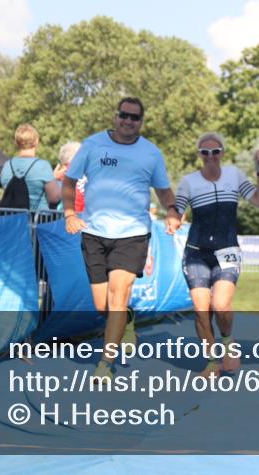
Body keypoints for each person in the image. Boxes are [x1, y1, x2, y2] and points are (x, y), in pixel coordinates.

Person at [62, 97, 179, 380]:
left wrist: (172, 211)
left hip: (133, 234)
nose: (128, 121)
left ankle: (105, 363)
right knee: (103, 305)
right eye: (124, 115)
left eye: (135, 118)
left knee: (118, 295)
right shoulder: (92, 145)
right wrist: (69, 213)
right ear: (116, 117)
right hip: (94, 232)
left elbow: (163, 190)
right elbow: (68, 181)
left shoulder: (150, 153)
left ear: (141, 121)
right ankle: (126, 320)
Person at [174, 132, 259, 377]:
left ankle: (227, 341)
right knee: (200, 309)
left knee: (221, 304)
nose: (210, 157)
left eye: (215, 152)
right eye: (205, 152)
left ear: (222, 153)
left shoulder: (234, 175)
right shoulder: (188, 181)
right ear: (199, 155)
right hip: (196, 252)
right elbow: (177, 209)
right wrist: (173, 217)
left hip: (227, 250)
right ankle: (210, 362)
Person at [0, 123, 60, 211]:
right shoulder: (43, 166)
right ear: (36, 141)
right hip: (38, 221)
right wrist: (55, 179)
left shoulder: (7, 166)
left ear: (16, 142)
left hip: (12, 221)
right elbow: (54, 198)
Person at [54, 141, 83, 212]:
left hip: (67, 217)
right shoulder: (89, 171)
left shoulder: (64, 173)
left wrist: (52, 178)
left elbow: (53, 197)